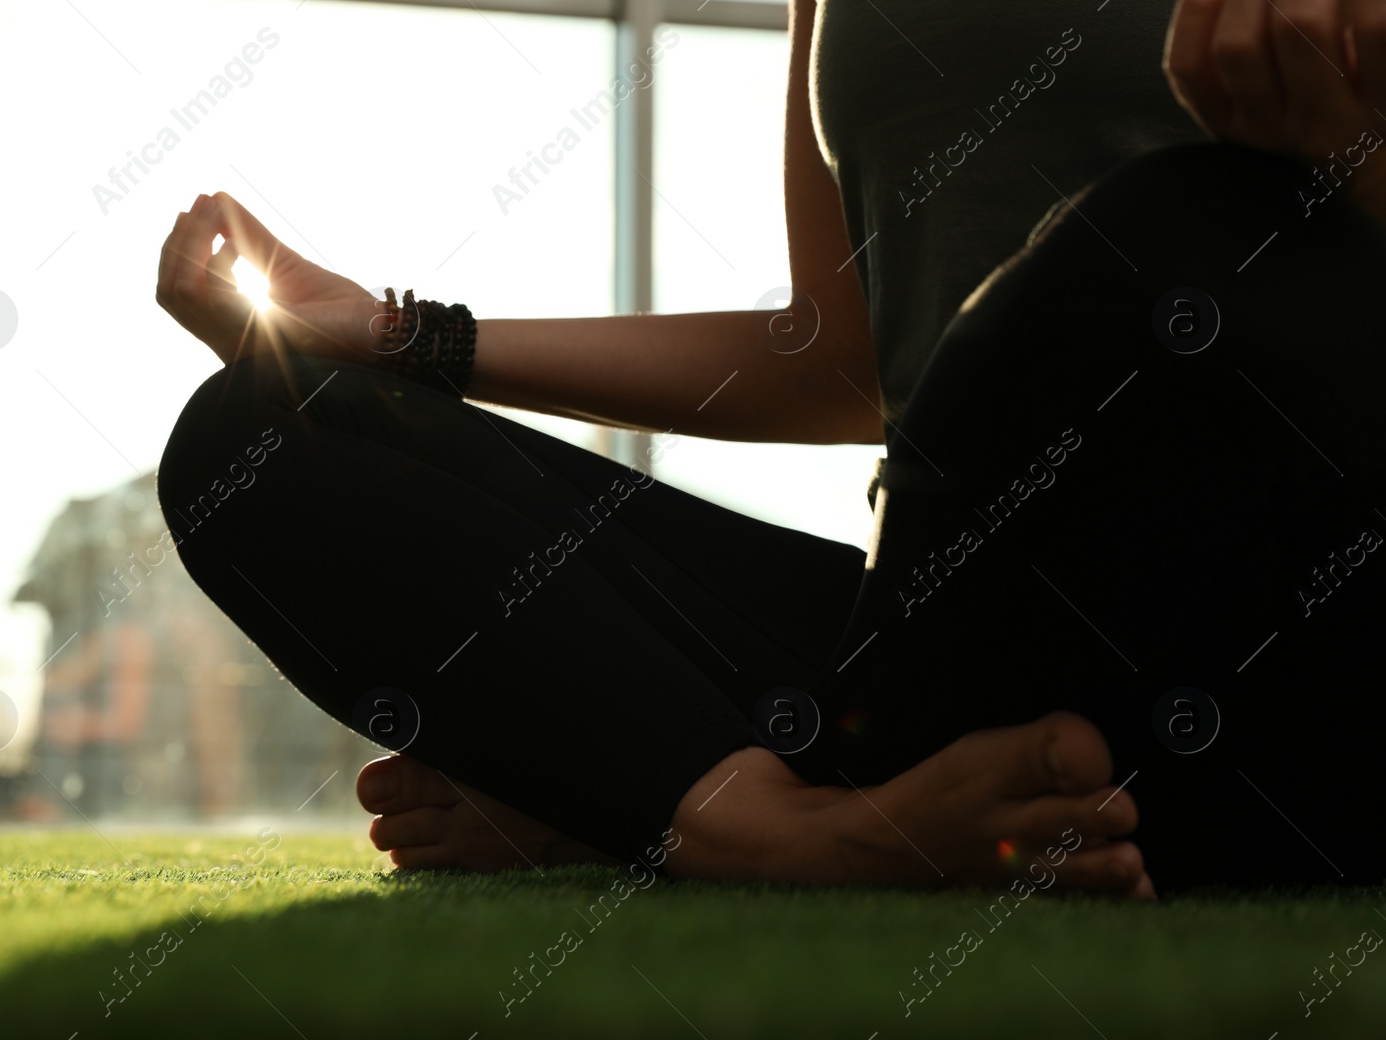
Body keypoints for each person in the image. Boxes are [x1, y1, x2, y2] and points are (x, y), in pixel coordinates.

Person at [153, 0, 1386, 894]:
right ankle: (787, 829)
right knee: (261, 435)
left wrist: (1357, 169)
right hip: (951, 642)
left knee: (1186, 234)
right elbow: (831, 356)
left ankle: (637, 796)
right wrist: (395, 338)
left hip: (1296, 621)